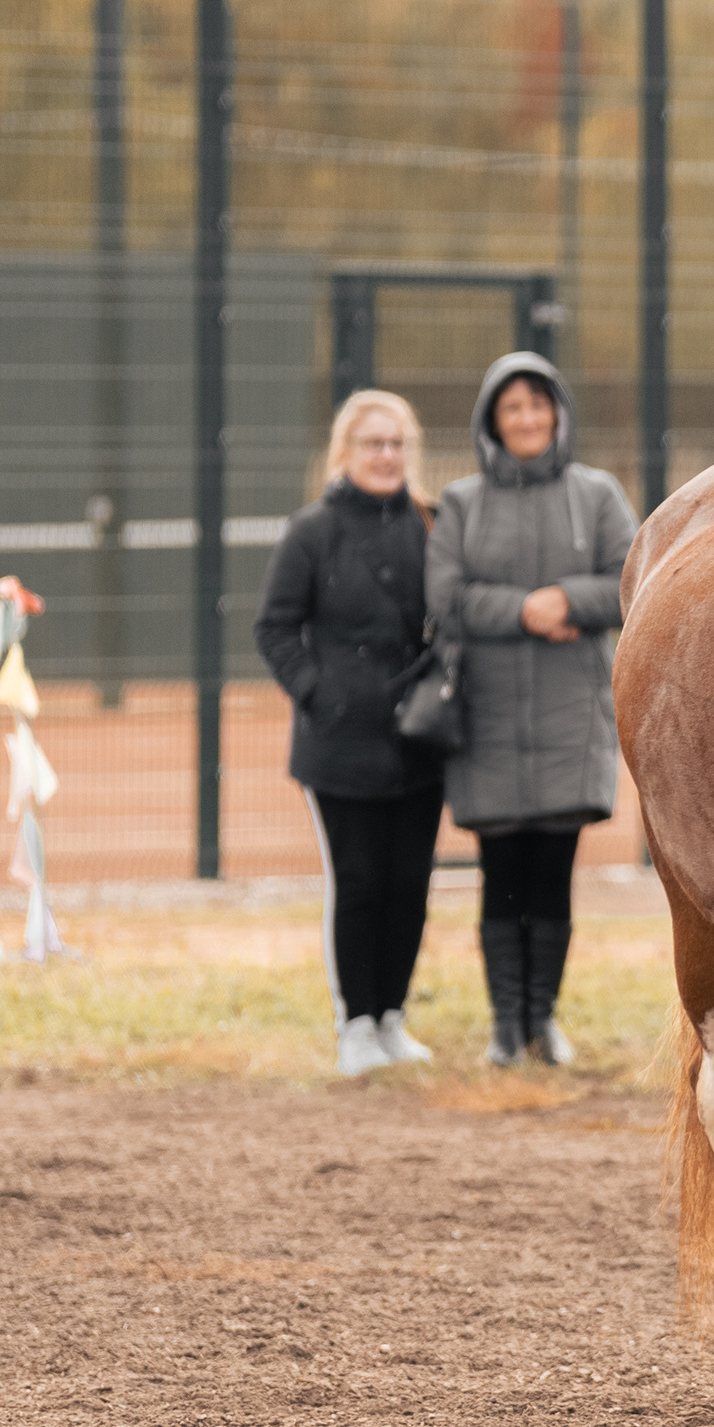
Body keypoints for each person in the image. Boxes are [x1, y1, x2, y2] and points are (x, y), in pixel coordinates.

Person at [427, 352, 637, 1067]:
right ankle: (504, 1026)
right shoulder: (462, 502)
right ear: (493, 420)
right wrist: (525, 610)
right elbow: (445, 598)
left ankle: (542, 1019)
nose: (527, 418)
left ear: (558, 413)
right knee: (500, 874)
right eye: (512, 407)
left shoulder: (597, 494)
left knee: (551, 873)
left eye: (537, 405)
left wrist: (567, 600)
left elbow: (632, 578)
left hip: (569, 712)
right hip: (486, 714)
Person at [253, 390, 445, 1076]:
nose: (387, 456)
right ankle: (355, 1023)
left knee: (410, 883)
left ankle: (391, 1017)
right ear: (345, 452)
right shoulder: (312, 531)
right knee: (359, 881)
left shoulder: (433, 523)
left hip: (419, 739)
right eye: (373, 443)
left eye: (397, 443)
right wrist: (319, 693)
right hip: (339, 745)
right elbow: (274, 627)